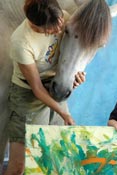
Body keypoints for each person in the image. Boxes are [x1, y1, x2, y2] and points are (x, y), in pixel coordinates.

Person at [4, 0, 86, 174]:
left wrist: (75, 76)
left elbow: (73, 53)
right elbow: (37, 89)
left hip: (54, 89)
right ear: (34, 25)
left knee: (51, 160)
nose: (57, 31)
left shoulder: (61, 17)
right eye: (50, 30)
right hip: (27, 96)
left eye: (59, 25)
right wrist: (64, 112)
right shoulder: (21, 42)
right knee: (20, 165)